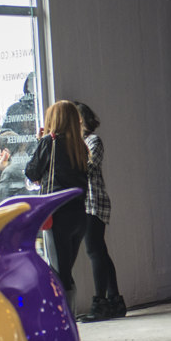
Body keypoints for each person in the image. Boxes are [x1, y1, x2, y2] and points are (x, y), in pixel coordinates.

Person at [24, 100, 90, 311]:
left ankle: (65, 322)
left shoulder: (49, 143)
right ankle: (69, 320)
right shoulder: (80, 146)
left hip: (56, 214)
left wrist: (41, 142)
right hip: (79, 215)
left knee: (59, 272)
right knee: (66, 269)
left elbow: (31, 172)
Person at [72, 102, 126, 323]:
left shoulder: (93, 141)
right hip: (83, 202)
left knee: (94, 250)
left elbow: (89, 168)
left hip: (94, 201)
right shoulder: (73, 144)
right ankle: (114, 300)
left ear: (81, 119)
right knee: (99, 251)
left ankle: (100, 301)